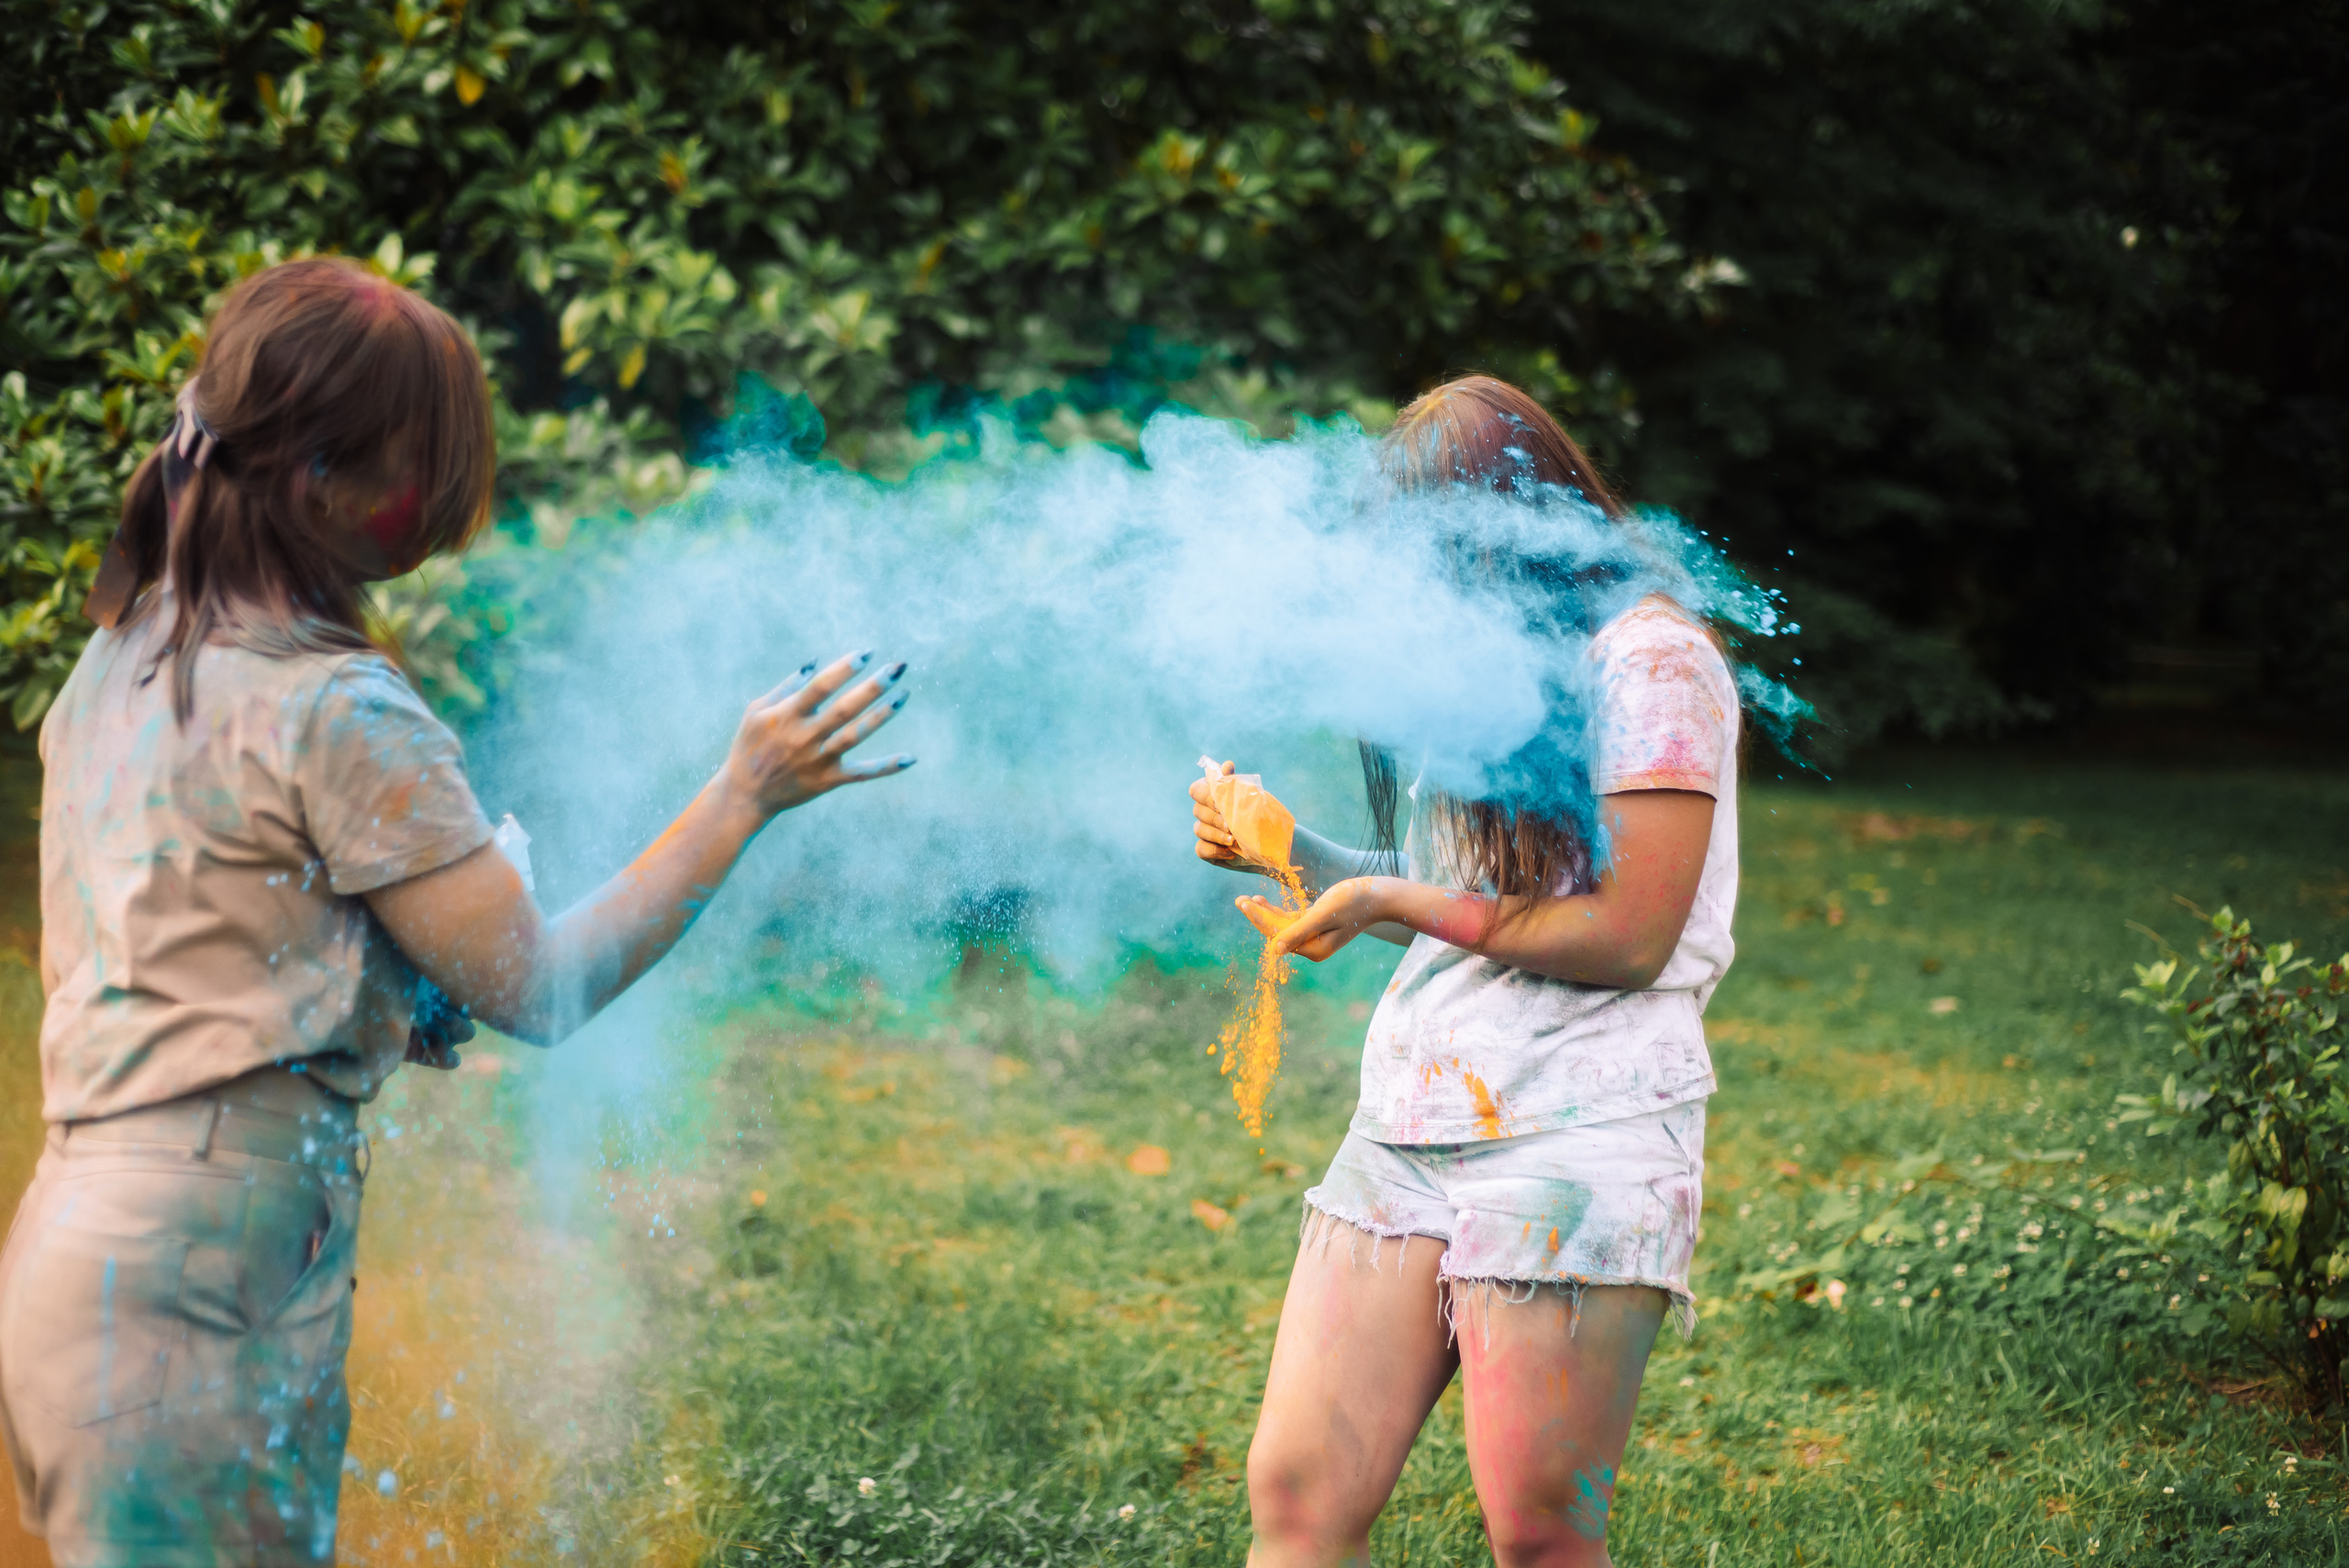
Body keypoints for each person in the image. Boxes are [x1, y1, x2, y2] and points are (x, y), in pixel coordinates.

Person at [0, 257, 914, 1566]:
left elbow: (213, 934)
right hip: (196, 1288)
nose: (442, 508)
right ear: (321, 478)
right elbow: (542, 991)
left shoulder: (128, 655)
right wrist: (742, 793)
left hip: (85, 1260)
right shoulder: (337, 708)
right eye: (419, 466)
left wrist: (386, 988)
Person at [1190, 375, 1739, 1568]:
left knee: (1538, 1529)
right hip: (1408, 1127)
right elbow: (1462, 895)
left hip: (1577, 1130)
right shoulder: (1485, 672)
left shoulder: (1650, 664)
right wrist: (1302, 853)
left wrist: (1396, 894)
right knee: (1296, 1489)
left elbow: (1627, 932)